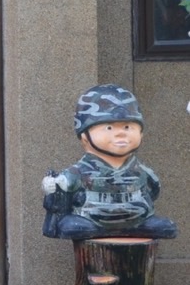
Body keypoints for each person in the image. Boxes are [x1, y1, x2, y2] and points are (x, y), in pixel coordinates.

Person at [42, 85, 177, 241]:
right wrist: (52, 184)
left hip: (137, 218)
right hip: (92, 218)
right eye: (109, 127)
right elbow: (65, 182)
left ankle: (135, 224)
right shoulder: (82, 170)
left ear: (141, 133)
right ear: (85, 137)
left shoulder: (139, 169)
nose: (120, 133)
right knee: (74, 227)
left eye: (128, 127)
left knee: (166, 227)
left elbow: (154, 189)